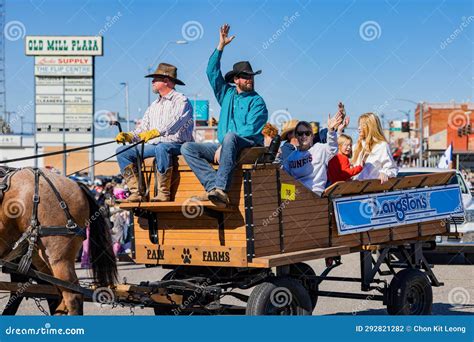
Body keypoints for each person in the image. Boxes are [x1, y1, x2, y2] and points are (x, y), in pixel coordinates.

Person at [181, 24, 268, 207]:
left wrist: (226, 143)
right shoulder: (227, 94)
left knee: (229, 137)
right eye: (245, 76)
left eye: (251, 76)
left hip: (248, 146)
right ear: (236, 79)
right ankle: (213, 187)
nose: (250, 79)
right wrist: (220, 46)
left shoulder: (257, 101)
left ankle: (221, 188)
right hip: (227, 145)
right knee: (188, 148)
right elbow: (211, 73)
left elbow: (251, 130)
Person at [115, 63, 194, 202]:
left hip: (178, 145)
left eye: (155, 79)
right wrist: (130, 135)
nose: (152, 82)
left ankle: (164, 193)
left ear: (166, 81)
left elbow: (175, 123)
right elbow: (142, 129)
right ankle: (137, 192)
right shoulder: (154, 106)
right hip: (156, 146)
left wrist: (156, 132)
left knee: (161, 147)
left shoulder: (181, 100)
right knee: (122, 151)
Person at [283, 111, 345, 196]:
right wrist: (288, 200)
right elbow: (284, 179)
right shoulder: (291, 158)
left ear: (312, 136)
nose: (304, 136)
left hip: (316, 196)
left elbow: (333, 148)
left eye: (307, 133)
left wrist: (330, 130)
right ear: (296, 136)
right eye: (300, 134)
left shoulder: (319, 149)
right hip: (298, 198)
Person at [352, 112, 398, 183]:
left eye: (362, 125)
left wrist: (385, 173)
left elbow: (392, 168)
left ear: (371, 127)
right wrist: (339, 131)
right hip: (353, 190)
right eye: (359, 125)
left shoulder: (382, 145)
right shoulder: (356, 146)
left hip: (372, 190)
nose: (359, 128)